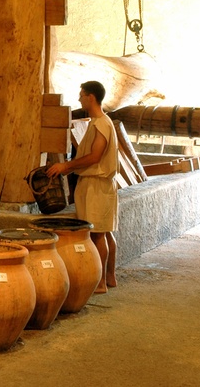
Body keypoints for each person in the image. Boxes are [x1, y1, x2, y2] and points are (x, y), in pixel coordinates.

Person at [46, 80, 119, 294]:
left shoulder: (102, 124)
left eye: (82, 95)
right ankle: (110, 277)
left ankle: (101, 282)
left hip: (97, 185)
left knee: (97, 234)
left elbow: (95, 157)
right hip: (97, 184)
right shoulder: (97, 122)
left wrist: (66, 165)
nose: (79, 98)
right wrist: (68, 170)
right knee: (104, 232)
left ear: (91, 97)